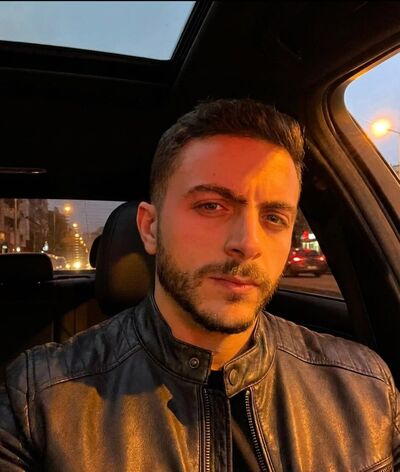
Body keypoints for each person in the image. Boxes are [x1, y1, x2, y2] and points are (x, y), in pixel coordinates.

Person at [0, 99, 399, 471]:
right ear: (150, 228)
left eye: (274, 218)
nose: (248, 243)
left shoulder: (365, 389)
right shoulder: (38, 400)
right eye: (211, 206)